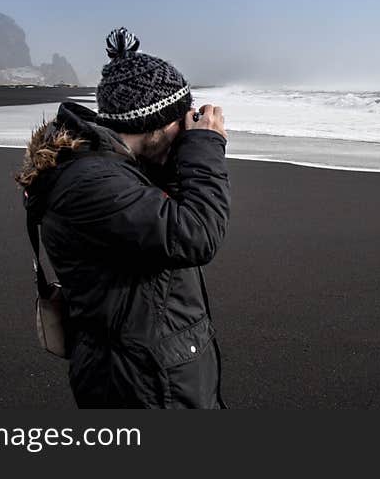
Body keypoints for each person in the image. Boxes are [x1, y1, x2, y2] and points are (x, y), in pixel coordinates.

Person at [15, 28, 230, 408]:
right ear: (157, 124)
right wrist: (205, 146)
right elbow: (196, 234)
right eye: (181, 121)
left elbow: (156, 217)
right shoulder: (93, 183)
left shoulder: (112, 169)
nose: (186, 130)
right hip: (142, 382)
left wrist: (180, 155)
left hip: (148, 369)